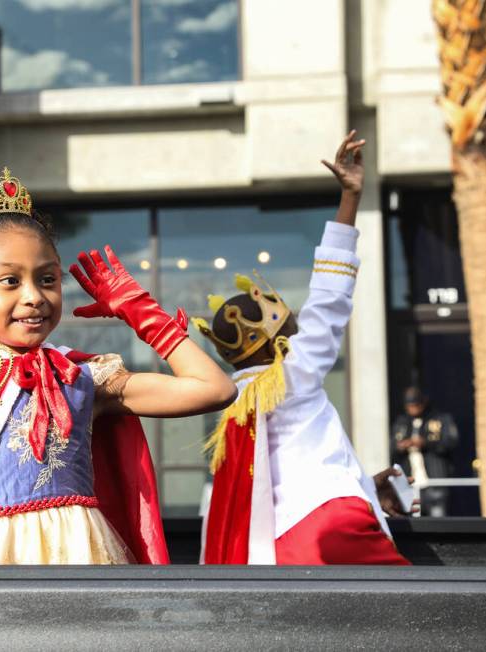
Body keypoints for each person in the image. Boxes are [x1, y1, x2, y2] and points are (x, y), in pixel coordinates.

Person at [0, 168, 236, 565]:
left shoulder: (83, 378)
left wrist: (143, 314)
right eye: (10, 281)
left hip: (84, 557)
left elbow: (213, 389)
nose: (34, 296)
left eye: (48, 278)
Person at [194, 132, 414, 565]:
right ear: (282, 340)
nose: (297, 318)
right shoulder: (291, 376)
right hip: (332, 525)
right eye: (290, 318)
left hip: (281, 545)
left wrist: (369, 487)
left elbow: (289, 478)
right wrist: (350, 198)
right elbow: (330, 298)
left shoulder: (235, 400)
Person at [391, 386, 459, 517]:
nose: (413, 409)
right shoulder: (402, 423)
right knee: (413, 521)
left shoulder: (439, 419)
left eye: (416, 405)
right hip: (410, 483)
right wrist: (402, 446)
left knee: (437, 520)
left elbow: (450, 441)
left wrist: (425, 443)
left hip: (434, 481)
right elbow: (392, 446)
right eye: (410, 406)